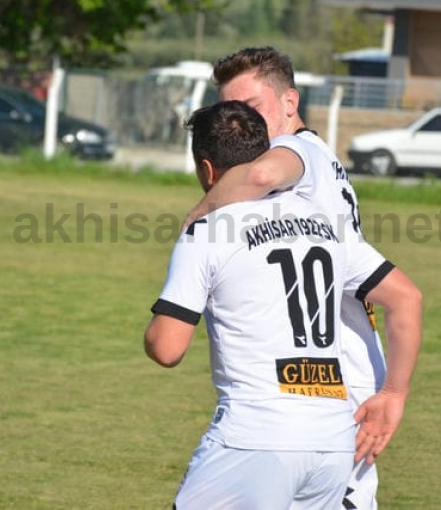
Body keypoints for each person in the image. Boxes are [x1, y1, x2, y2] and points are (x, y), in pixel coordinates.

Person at [145, 100, 422, 509]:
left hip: (254, 436)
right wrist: (395, 391)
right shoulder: (325, 223)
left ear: (207, 170)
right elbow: (407, 295)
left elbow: (167, 348)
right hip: (333, 440)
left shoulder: (207, 230)